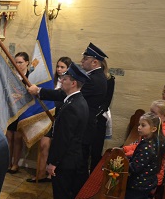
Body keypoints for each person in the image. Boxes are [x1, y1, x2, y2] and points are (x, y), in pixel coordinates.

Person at [29, 43, 108, 174]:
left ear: (95, 62)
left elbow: (65, 94)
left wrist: (39, 91)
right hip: (82, 124)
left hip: (81, 127)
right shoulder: (96, 77)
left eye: (85, 59)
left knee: (75, 165)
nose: (82, 61)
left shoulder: (94, 79)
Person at [35, 62, 90, 199]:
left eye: (65, 78)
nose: (61, 81)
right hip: (71, 158)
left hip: (66, 160)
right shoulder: (76, 101)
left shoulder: (73, 106)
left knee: (62, 197)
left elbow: (63, 139)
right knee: (63, 195)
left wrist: (53, 163)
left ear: (73, 83)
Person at [28, 56, 72, 183]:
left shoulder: (68, 84)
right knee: (43, 145)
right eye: (58, 66)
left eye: (62, 67)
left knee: (55, 148)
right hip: (47, 117)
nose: (59, 69)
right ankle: (40, 173)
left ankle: (50, 174)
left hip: (59, 118)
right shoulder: (51, 81)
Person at [90, 58, 116, 172]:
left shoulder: (109, 79)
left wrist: (96, 114)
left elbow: (107, 101)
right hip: (88, 114)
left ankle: (93, 172)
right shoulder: (89, 78)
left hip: (100, 116)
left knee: (96, 148)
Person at [6, 51, 30, 174]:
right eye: (15, 62)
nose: (17, 65)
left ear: (27, 63)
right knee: (9, 137)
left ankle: (15, 164)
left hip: (23, 110)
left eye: (20, 62)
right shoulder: (11, 76)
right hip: (11, 109)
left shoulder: (30, 76)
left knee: (17, 138)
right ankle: (7, 162)